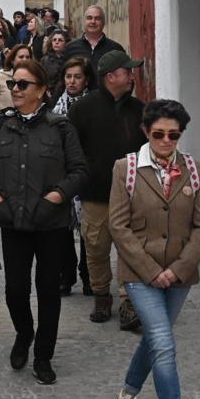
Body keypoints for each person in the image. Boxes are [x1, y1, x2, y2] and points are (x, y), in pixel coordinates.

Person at [110, 99, 200, 399]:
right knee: (164, 343)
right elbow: (118, 226)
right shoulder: (126, 168)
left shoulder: (193, 170)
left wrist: (178, 269)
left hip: (180, 274)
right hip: (140, 274)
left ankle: (126, 395)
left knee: (156, 338)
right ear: (145, 132)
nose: (166, 141)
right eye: (158, 134)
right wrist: (152, 271)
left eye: (173, 135)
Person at [0, 61, 87, 384]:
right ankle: (24, 333)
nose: (15, 89)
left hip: (51, 224)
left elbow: (79, 171)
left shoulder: (60, 127)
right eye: (13, 83)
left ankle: (43, 355)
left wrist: (56, 196)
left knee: (48, 290)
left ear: (41, 90)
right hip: (14, 222)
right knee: (15, 290)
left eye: (23, 84)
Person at [68, 51, 147, 327]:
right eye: (128, 71)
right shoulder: (82, 109)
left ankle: (129, 301)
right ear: (111, 76)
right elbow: (72, 149)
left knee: (131, 250)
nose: (132, 76)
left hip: (132, 194)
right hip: (96, 194)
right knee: (96, 247)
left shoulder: (139, 110)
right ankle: (101, 296)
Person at [53, 57, 94, 296]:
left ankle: (89, 275)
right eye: (68, 76)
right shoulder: (56, 105)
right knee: (63, 226)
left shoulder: (93, 105)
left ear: (86, 80)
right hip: (61, 173)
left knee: (88, 227)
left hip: (87, 172)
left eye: (77, 77)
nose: (72, 81)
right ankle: (65, 274)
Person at [63, 5, 126, 88]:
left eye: (97, 18)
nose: (93, 21)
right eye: (89, 18)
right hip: (79, 96)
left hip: (106, 96)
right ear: (84, 21)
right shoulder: (70, 48)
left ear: (103, 22)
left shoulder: (115, 48)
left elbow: (125, 77)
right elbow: (62, 77)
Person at [0, 43, 35, 119]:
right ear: (12, 60)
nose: (25, 60)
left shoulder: (35, 79)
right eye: (21, 57)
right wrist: (0, 116)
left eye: (27, 57)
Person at [41, 30, 69, 101]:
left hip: (66, 95)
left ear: (66, 43)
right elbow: (41, 79)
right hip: (49, 96)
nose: (56, 42)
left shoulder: (70, 59)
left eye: (60, 40)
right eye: (54, 40)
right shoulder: (45, 60)